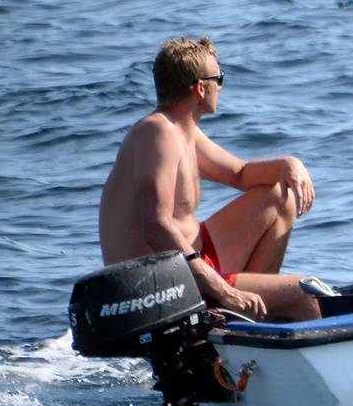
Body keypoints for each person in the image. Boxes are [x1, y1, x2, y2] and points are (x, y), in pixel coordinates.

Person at [98, 36, 321, 322]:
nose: (222, 86)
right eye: (220, 78)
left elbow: (239, 173)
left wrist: (290, 164)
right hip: (159, 286)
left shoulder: (181, 130)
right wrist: (222, 289)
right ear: (201, 88)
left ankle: (246, 320)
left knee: (279, 198)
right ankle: (239, 311)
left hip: (188, 268)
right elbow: (155, 225)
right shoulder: (157, 133)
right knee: (307, 297)